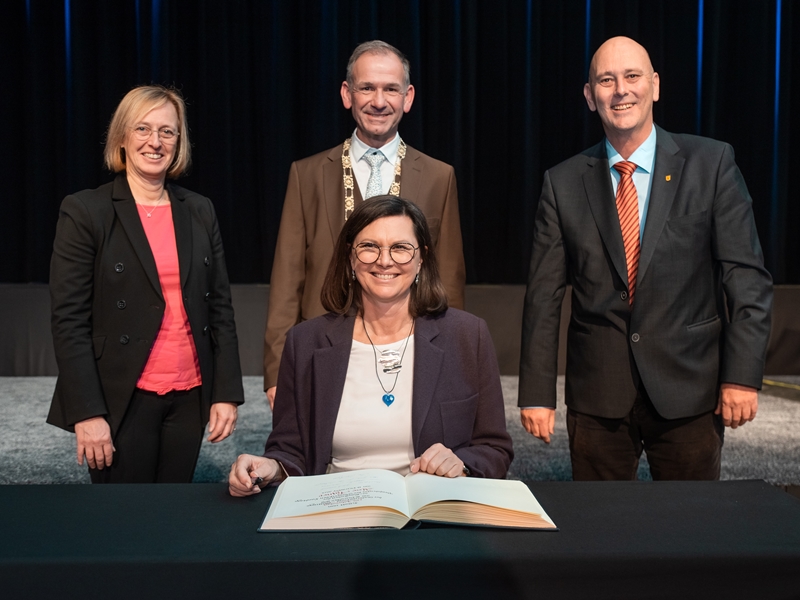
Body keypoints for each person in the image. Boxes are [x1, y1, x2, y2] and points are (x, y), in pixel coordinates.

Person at [518, 37, 773, 481]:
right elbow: (544, 296)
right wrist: (537, 393)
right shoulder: (562, 182)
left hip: (689, 388)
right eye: (606, 80)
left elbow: (746, 279)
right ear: (589, 95)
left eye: (632, 76)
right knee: (600, 522)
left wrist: (741, 376)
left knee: (689, 522)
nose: (621, 90)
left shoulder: (711, 163)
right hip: (598, 395)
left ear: (654, 85)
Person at [230, 196, 511, 495]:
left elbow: (495, 449)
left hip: (431, 508)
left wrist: (462, 463)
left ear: (421, 258)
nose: (384, 260)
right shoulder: (305, 342)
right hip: (336, 506)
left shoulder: (467, 335)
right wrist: (270, 467)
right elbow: (289, 449)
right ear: (350, 257)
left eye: (400, 248)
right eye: (369, 247)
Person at [47, 85, 245, 483]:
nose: (155, 142)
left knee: (172, 512)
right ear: (122, 137)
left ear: (178, 141)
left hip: (189, 394)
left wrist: (226, 391)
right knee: (124, 517)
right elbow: (69, 321)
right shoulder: (86, 210)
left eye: (167, 131)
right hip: (121, 396)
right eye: (143, 129)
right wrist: (87, 411)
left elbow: (220, 308)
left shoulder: (199, 210)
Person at [263, 40, 466, 409]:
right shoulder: (307, 175)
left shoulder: (439, 177)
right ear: (347, 94)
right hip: (322, 350)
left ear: (408, 97)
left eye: (391, 89)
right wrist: (278, 370)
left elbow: (448, 280)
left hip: (408, 352)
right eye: (367, 88)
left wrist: (449, 363)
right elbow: (287, 279)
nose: (379, 101)